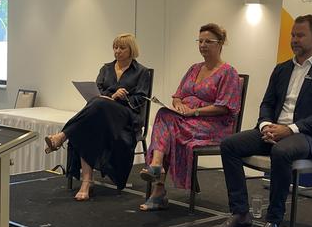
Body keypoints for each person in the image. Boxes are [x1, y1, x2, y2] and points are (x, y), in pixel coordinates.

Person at [210, 15, 312, 227]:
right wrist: (265, 125)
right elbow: (267, 104)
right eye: (292, 35)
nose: (294, 40)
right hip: (275, 131)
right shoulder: (282, 69)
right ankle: (240, 213)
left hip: (308, 137)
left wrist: (289, 130)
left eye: (300, 35)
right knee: (229, 145)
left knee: (281, 152)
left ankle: (273, 221)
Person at [139, 23, 242, 211]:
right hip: (186, 120)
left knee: (167, 124)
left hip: (213, 125)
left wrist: (195, 111)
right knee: (165, 115)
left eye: (208, 41)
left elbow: (225, 107)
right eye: (200, 41)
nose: (203, 45)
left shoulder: (229, 72)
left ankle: (157, 179)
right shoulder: (194, 68)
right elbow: (178, 94)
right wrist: (178, 105)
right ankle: (157, 172)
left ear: (220, 44)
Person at [44, 33, 151, 200]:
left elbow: (141, 100)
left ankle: (62, 136)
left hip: (125, 118)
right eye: (115, 47)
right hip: (102, 114)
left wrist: (120, 97)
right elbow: (98, 92)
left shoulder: (142, 72)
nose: (117, 51)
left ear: (132, 50)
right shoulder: (106, 69)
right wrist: (111, 95)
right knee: (90, 123)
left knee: (98, 105)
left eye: (122, 48)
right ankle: (87, 181)